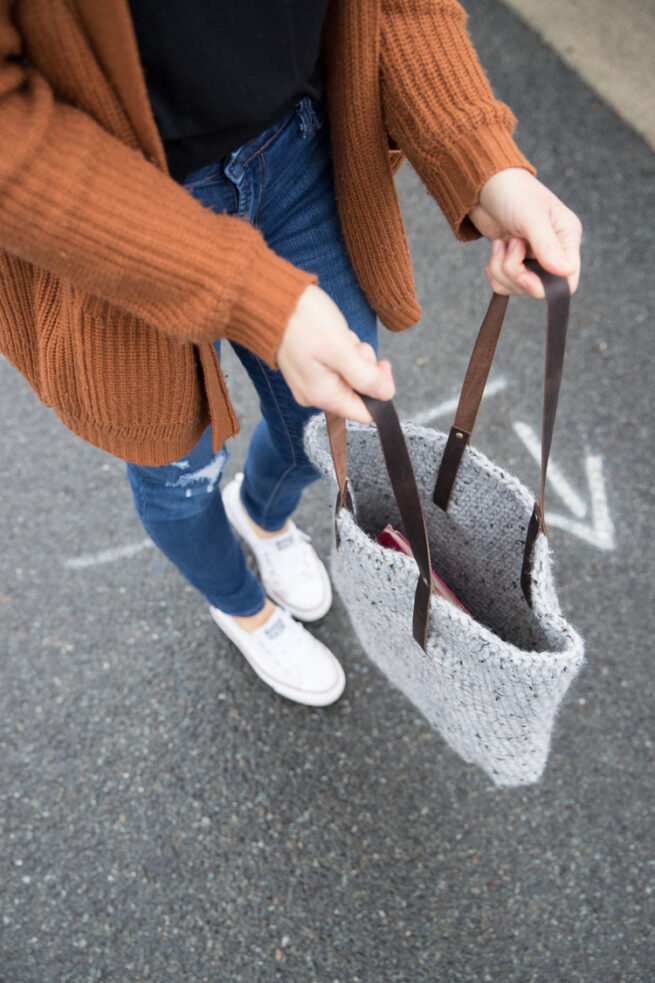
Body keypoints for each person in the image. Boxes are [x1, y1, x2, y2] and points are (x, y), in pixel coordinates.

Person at [0, 0, 582, 707]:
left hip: (296, 152)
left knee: (333, 421)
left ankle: (263, 517)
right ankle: (244, 608)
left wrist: (483, 159)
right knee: (174, 466)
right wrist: (251, 293)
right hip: (107, 216)